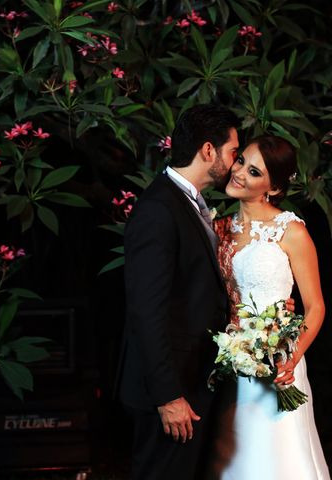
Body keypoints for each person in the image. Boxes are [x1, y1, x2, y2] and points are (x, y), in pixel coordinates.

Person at [115, 104, 240, 480]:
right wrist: (168, 397)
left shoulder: (188, 203)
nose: (235, 163)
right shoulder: (159, 209)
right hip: (169, 391)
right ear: (207, 151)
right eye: (233, 151)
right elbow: (146, 311)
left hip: (192, 379)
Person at [208, 135, 330, 479]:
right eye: (241, 161)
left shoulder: (290, 231)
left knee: (279, 458)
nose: (240, 173)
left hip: (279, 362)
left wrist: (290, 360)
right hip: (231, 361)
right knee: (238, 459)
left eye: (254, 171)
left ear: (273, 187)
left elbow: (316, 306)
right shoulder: (218, 229)